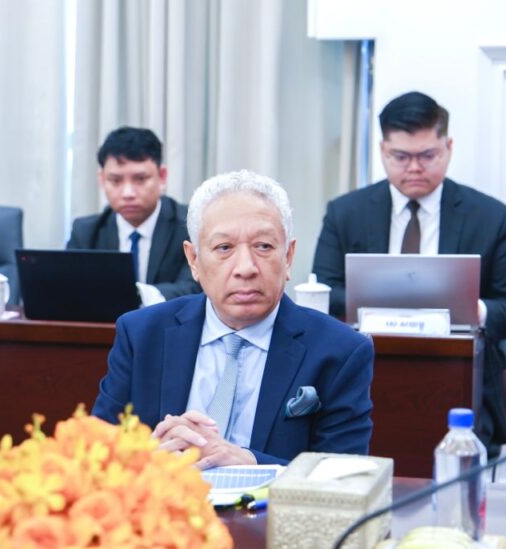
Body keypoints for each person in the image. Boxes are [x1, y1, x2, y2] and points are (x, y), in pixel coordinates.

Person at [92, 170, 374, 467]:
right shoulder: (141, 334)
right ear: (194, 260)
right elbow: (96, 454)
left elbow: (342, 474)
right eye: (224, 248)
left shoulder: (339, 351)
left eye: (263, 246)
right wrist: (148, 457)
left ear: (288, 256)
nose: (246, 268)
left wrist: (250, 463)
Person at [312, 91, 506, 457]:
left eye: (427, 155)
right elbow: (323, 290)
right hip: (365, 374)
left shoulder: (490, 217)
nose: (414, 167)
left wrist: (471, 309)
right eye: (401, 157)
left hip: (462, 384)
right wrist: (378, 306)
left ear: (448, 147)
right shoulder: (346, 213)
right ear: (383, 150)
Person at [67, 127, 200, 303]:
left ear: (162, 177)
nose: (128, 193)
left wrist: (136, 294)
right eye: (115, 181)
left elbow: (197, 287)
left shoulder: (190, 225)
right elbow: (70, 289)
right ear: (102, 180)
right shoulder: (86, 232)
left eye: (140, 179)